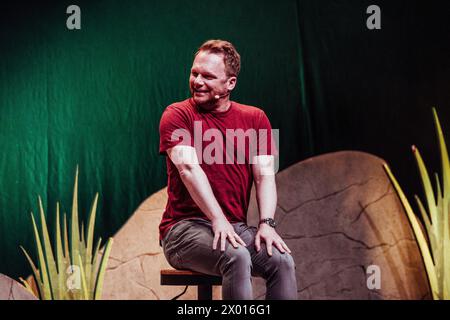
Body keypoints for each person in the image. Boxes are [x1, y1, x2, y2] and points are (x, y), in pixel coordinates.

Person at [158, 39, 298, 300]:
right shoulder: (176, 114)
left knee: (281, 261)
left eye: (208, 76)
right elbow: (188, 168)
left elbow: (265, 175)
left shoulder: (256, 118)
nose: (198, 81)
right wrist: (217, 218)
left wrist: (267, 224)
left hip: (234, 227)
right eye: (194, 73)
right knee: (236, 256)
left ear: (230, 83)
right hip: (182, 230)